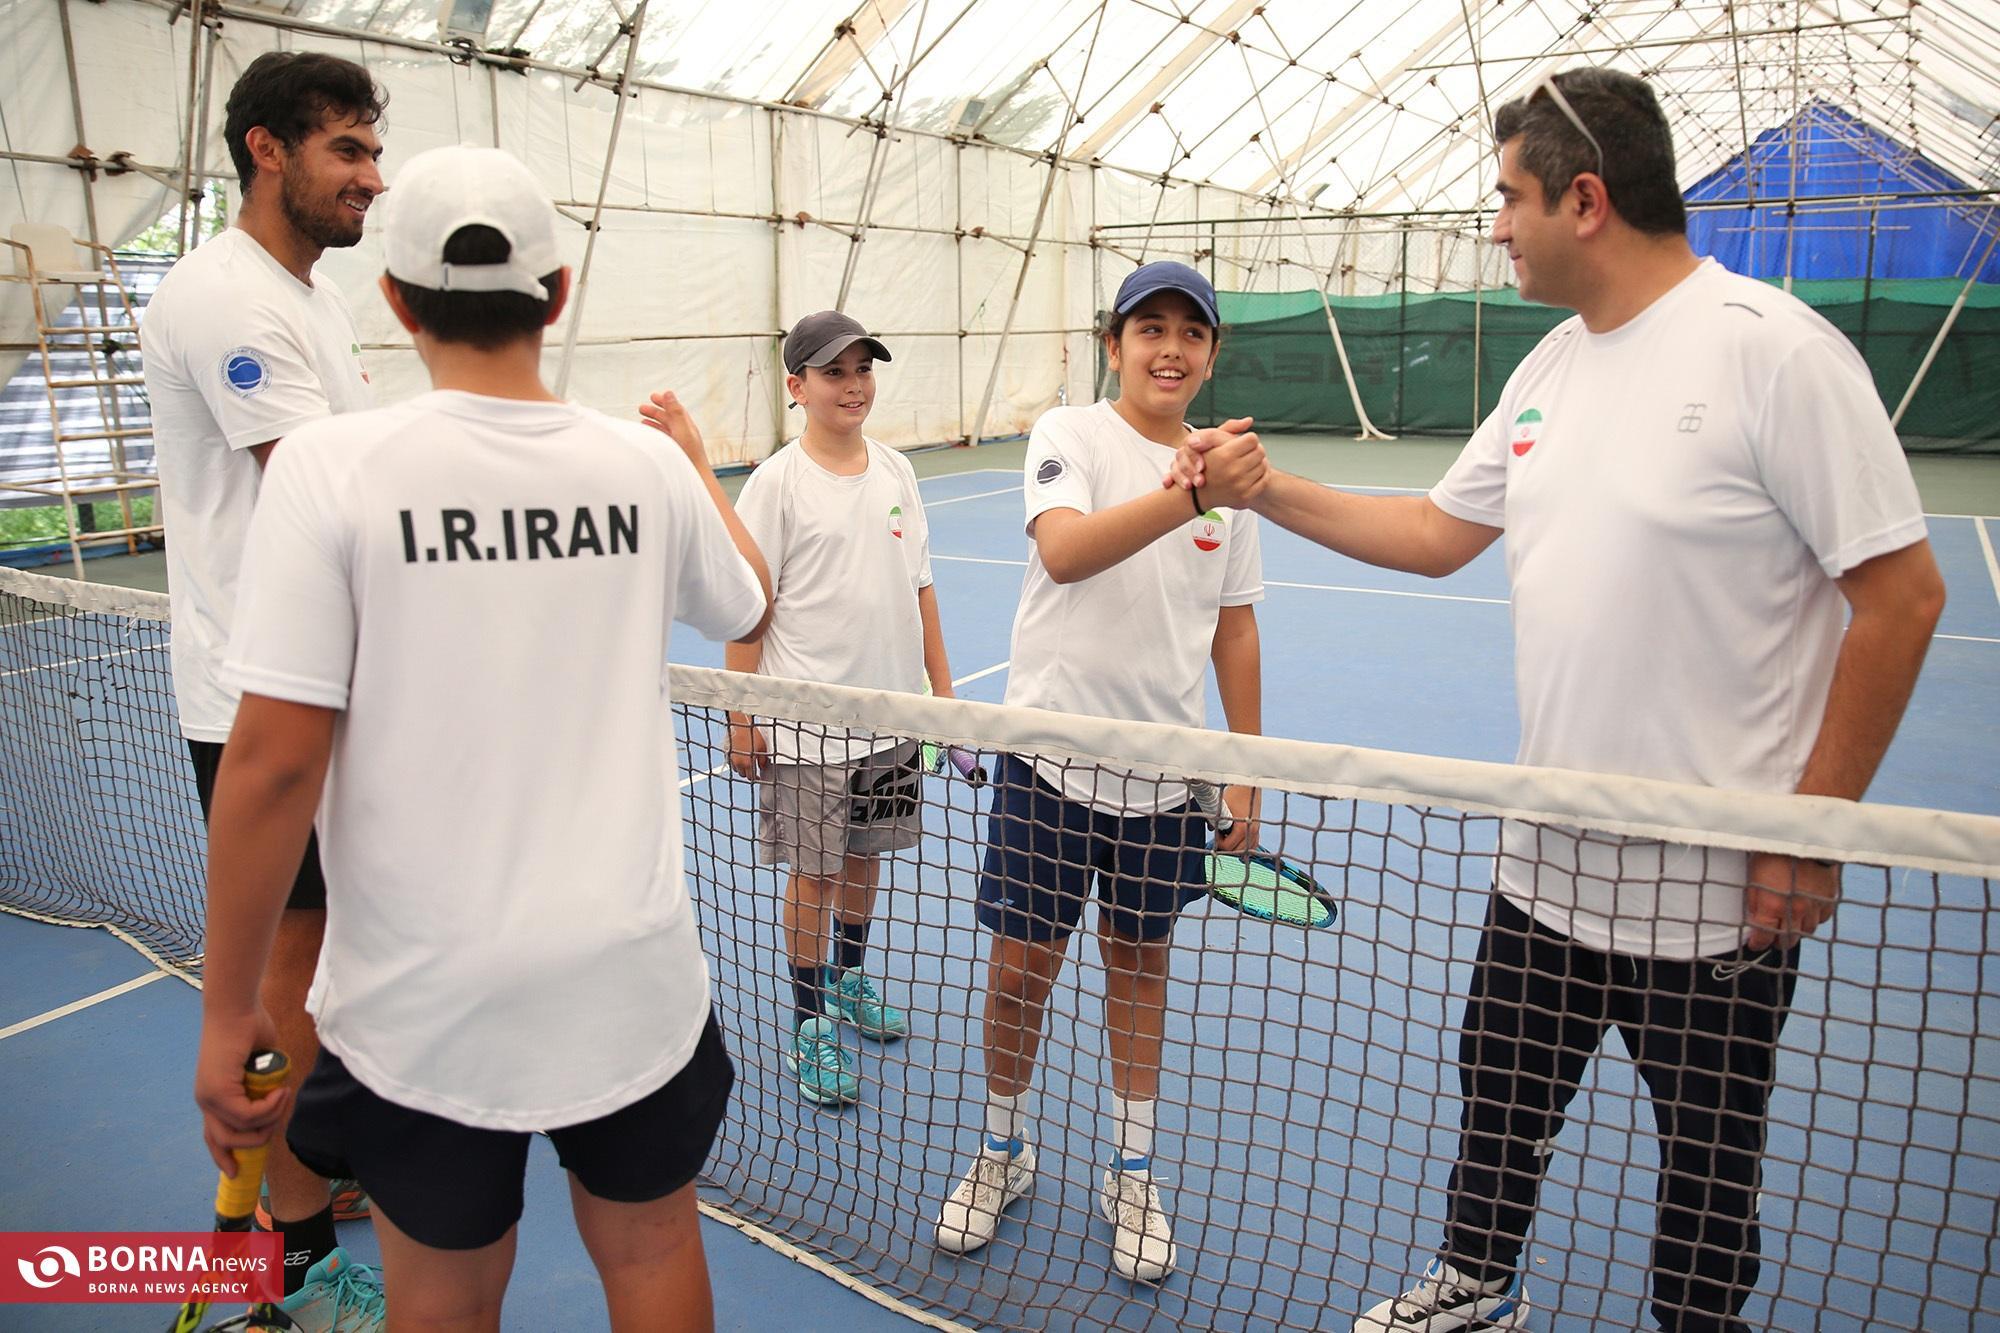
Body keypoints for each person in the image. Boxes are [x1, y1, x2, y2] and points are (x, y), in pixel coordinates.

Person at [1173, 68, 1946, 1332]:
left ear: (1583, 200)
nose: (1495, 224)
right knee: (1499, 1096)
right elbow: (1434, 529)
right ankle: (1476, 1283)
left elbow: (1901, 597)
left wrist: (1813, 830)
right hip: (1541, 866)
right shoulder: (1548, 363)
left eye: (1508, 198)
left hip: (1713, 897)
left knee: (1706, 1163)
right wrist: (1264, 491)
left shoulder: (1774, 355)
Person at [191, 144, 772, 1332]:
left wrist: (226, 1008)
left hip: (423, 996)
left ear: (393, 303)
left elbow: (274, 763)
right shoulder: (643, 467)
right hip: (628, 972)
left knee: (445, 1290)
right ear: (559, 292)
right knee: (654, 1247)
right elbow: (747, 603)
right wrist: (690, 465)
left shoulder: (328, 467)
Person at [932, 261, 1266, 1283]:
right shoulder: (1067, 436)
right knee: (1017, 975)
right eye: (1149, 328)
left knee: (1137, 970)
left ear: (1210, 354)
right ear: (1113, 344)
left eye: (1191, 333)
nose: (1170, 348)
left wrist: (1242, 766)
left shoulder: (1227, 479)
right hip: (1045, 768)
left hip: (1163, 781)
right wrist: (1193, 491)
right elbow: (1069, 553)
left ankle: (1130, 1167)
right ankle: (1001, 1148)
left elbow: (1234, 628)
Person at [140, 49, 387, 1308]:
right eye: (347, 150)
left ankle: (307, 1173)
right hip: (259, 704)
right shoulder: (227, 299)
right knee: (283, 978)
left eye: (373, 151)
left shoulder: (307, 297)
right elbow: (323, 489)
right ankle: (292, 1251)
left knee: (331, 955)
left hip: (329, 694)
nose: (371, 178)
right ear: (266, 149)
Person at [685, 311, 955, 1107]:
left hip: (891, 722)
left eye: (864, 368)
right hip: (805, 732)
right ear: (798, 387)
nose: (854, 385)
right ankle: (810, 1022)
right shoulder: (776, 482)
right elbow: (747, 602)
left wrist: (942, 695)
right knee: (814, 874)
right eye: (835, 372)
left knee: (865, 859)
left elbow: (921, 586)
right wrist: (741, 715)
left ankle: (849, 977)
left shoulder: (899, 470)